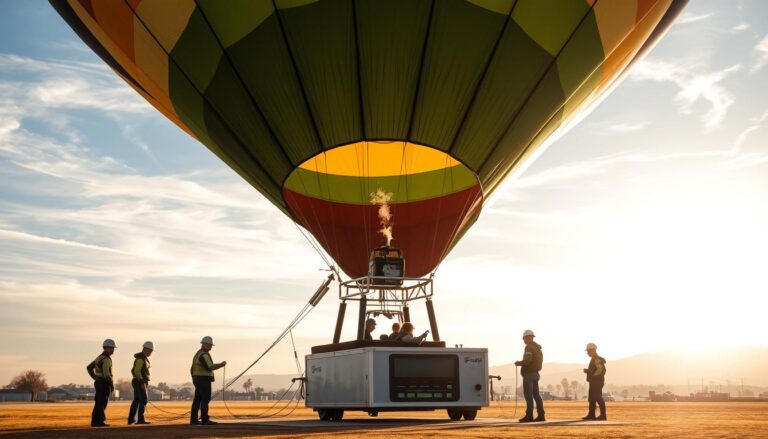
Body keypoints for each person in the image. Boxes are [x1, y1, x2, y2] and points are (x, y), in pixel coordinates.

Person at [190, 336, 226, 425]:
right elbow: (210, 367)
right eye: (209, 345)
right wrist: (221, 365)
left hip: (197, 379)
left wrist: (194, 379)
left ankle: (193, 420)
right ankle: (205, 420)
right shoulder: (204, 355)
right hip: (204, 380)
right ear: (204, 344)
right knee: (205, 399)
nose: (210, 347)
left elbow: (192, 369)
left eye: (211, 345)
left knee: (197, 400)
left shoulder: (198, 354)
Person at [514, 329, 545, 423]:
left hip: (529, 374)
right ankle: (541, 415)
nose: (523, 340)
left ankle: (529, 416)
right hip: (536, 374)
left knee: (528, 396)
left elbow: (527, 360)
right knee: (536, 395)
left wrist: (518, 363)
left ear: (527, 338)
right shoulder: (538, 349)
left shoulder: (529, 347)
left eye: (524, 338)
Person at [86, 339, 116, 427]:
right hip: (104, 383)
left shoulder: (99, 358)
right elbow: (106, 375)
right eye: (112, 348)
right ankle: (99, 421)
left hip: (98, 382)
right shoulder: (106, 360)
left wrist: (95, 377)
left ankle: (95, 421)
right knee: (102, 402)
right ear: (106, 348)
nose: (113, 350)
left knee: (98, 402)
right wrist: (111, 384)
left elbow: (89, 367)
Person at [128, 341, 154, 425]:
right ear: (146, 349)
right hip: (139, 381)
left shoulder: (142, 358)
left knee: (136, 400)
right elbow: (137, 371)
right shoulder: (140, 359)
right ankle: (140, 419)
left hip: (137, 381)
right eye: (150, 351)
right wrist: (142, 382)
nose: (151, 353)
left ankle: (131, 419)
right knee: (143, 399)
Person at [582, 342, 607, 421]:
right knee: (592, 398)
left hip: (597, 382)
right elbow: (597, 370)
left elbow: (600, 371)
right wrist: (590, 372)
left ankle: (603, 415)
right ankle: (591, 415)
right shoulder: (594, 359)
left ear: (592, 350)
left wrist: (589, 372)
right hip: (594, 381)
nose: (587, 353)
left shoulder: (597, 359)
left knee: (598, 397)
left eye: (588, 351)